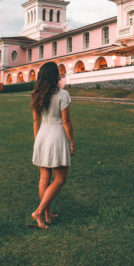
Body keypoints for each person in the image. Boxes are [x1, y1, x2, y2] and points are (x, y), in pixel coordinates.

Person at [31, 61, 75, 229]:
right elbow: (66, 121)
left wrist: (37, 142)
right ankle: (40, 211)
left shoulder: (36, 94)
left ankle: (48, 214)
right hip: (56, 136)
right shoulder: (62, 94)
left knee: (44, 177)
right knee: (60, 179)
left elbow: (36, 121)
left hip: (42, 135)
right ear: (55, 75)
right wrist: (72, 143)